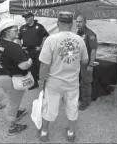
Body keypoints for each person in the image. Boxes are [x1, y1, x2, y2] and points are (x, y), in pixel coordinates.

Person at [38, 11, 89, 142]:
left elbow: (44, 65)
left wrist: (41, 81)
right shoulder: (80, 40)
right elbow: (84, 61)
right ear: (72, 24)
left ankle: (44, 133)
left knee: (49, 106)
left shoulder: (51, 40)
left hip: (54, 83)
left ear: (57, 23)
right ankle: (71, 133)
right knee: (72, 106)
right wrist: (81, 75)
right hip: (72, 82)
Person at [0, 19, 33, 136]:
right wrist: (30, 61)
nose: (18, 32)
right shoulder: (13, 46)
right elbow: (23, 66)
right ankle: (12, 127)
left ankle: (15, 113)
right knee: (13, 103)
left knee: (11, 98)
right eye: (15, 30)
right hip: (11, 79)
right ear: (7, 32)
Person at [19, 11, 49, 90]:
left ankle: (44, 83)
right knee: (31, 68)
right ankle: (34, 83)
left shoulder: (39, 26)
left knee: (40, 67)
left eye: (27, 17)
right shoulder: (23, 27)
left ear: (32, 17)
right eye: (25, 17)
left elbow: (45, 36)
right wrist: (20, 47)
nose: (26, 19)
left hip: (38, 50)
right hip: (28, 51)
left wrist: (41, 47)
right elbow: (18, 38)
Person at [76, 15, 98, 110]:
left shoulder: (90, 34)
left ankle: (86, 101)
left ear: (85, 22)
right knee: (79, 80)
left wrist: (91, 65)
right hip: (78, 61)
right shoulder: (78, 32)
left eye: (80, 22)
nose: (78, 23)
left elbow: (93, 50)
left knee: (85, 82)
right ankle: (80, 97)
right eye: (76, 21)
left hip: (86, 62)